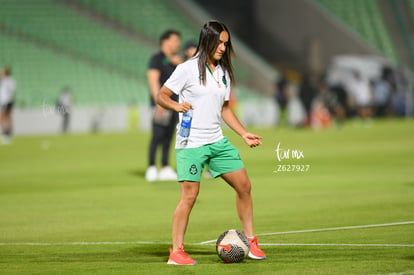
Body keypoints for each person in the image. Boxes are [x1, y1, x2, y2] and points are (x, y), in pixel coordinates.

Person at [157, 20, 266, 265]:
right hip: (191, 143)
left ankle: (251, 241)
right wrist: (176, 105)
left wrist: (243, 133)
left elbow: (225, 109)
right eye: (219, 43)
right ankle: (176, 252)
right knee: (189, 196)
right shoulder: (186, 69)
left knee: (244, 186)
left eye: (226, 44)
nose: (223, 48)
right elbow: (161, 95)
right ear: (207, 41)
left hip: (217, 140)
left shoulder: (223, 72)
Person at [146, 30, 183, 182]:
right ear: (165, 41)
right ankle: (152, 167)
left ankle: (165, 166)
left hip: (174, 103)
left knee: (169, 135)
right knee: (157, 134)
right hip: (161, 103)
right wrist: (158, 102)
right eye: (175, 40)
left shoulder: (176, 61)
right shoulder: (157, 59)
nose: (177, 44)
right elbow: (153, 81)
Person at [0, 66, 16, 144]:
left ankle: (5, 134)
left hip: (5, 101)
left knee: (3, 117)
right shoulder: (12, 80)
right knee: (8, 117)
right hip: (10, 100)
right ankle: (9, 133)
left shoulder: (5, 80)